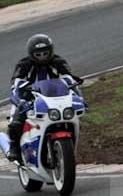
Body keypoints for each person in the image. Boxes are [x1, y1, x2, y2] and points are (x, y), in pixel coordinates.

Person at [7, 33, 83, 162]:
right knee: (16, 122)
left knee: (74, 115)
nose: (42, 57)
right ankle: (14, 148)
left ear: (51, 51)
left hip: (55, 97)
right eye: (38, 54)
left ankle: (70, 147)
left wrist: (79, 98)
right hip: (29, 97)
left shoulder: (59, 62)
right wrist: (19, 98)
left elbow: (69, 79)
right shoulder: (24, 64)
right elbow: (16, 82)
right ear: (32, 53)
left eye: (45, 53)